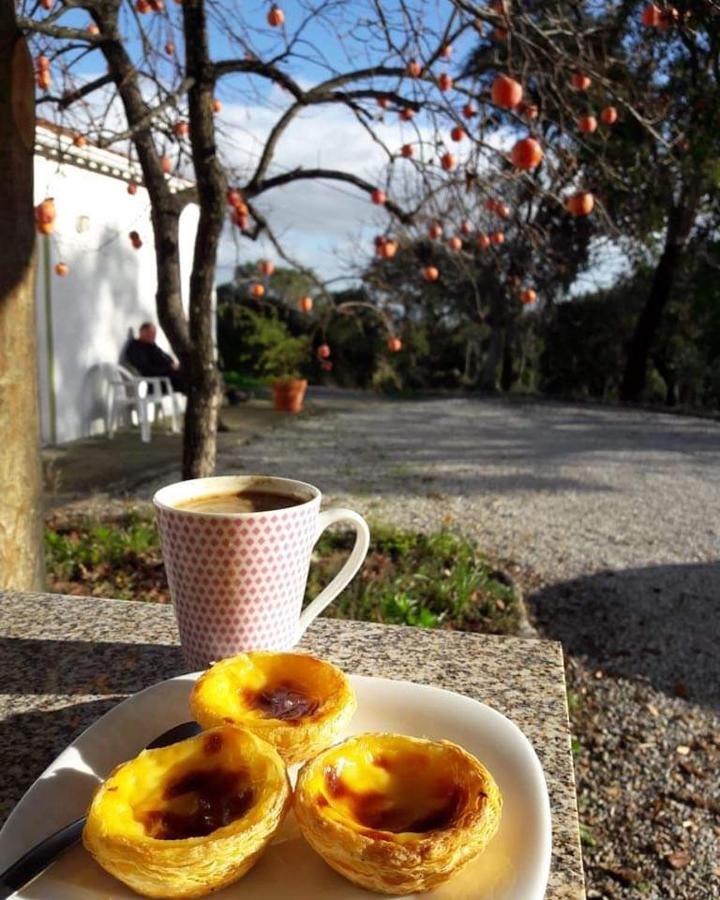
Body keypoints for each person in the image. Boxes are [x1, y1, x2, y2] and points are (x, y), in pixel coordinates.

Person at [125, 322, 186, 393]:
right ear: (142, 332)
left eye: (154, 334)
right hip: (157, 382)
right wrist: (168, 369)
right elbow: (147, 369)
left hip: (168, 376)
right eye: (150, 334)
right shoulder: (135, 348)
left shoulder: (152, 346)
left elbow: (165, 357)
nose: (152, 336)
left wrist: (172, 365)